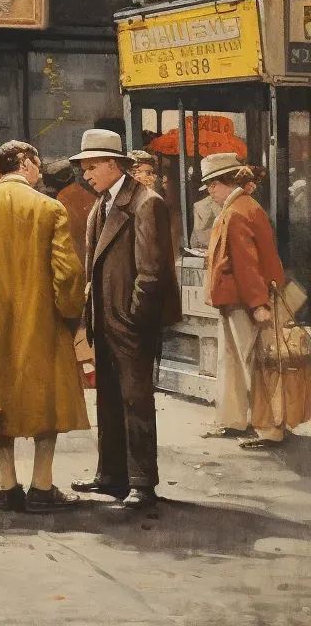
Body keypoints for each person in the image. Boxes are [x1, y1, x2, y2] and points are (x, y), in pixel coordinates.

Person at [0, 141, 88, 513]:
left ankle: (7, 486)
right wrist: (70, 315)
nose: (41, 171)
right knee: (46, 400)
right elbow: (68, 272)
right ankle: (42, 485)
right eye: (38, 163)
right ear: (25, 163)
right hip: (44, 324)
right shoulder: (50, 208)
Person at [70, 129, 180, 512]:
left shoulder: (146, 203)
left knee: (136, 401)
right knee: (110, 400)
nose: (86, 174)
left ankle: (141, 481)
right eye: (84, 167)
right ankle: (111, 475)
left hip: (130, 322)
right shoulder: (102, 205)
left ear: (114, 164)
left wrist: (135, 317)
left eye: (92, 165)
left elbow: (152, 271)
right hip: (106, 319)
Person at [199, 154, 294, 449]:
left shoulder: (237, 211)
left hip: (244, 301)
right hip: (235, 300)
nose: (210, 192)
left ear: (225, 183)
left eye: (212, 185)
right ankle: (236, 420)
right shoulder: (240, 207)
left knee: (255, 363)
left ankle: (269, 429)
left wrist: (257, 304)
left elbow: (247, 265)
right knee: (235, 361)